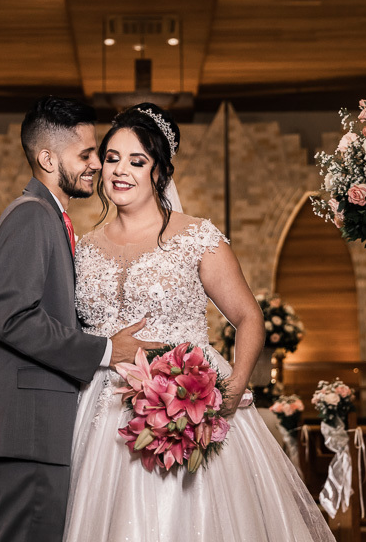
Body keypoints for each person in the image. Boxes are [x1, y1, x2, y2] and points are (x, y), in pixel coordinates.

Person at [63, 103, 335, 541]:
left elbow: (249, 317)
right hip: (100, 408)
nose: (120, 171)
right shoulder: (83, 246)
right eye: (111, 158)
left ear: (159, 171)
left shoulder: (197, 237)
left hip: (189, 400)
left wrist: (235, 386)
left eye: (137, 161)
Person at [0, 97, 159, 542]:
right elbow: (15, 319)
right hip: (30, 425)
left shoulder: (52, 217)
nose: (97, 165)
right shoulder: (31, 217)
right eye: (86, 155)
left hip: (41, 424)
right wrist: (109, 350)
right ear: (48, 158)